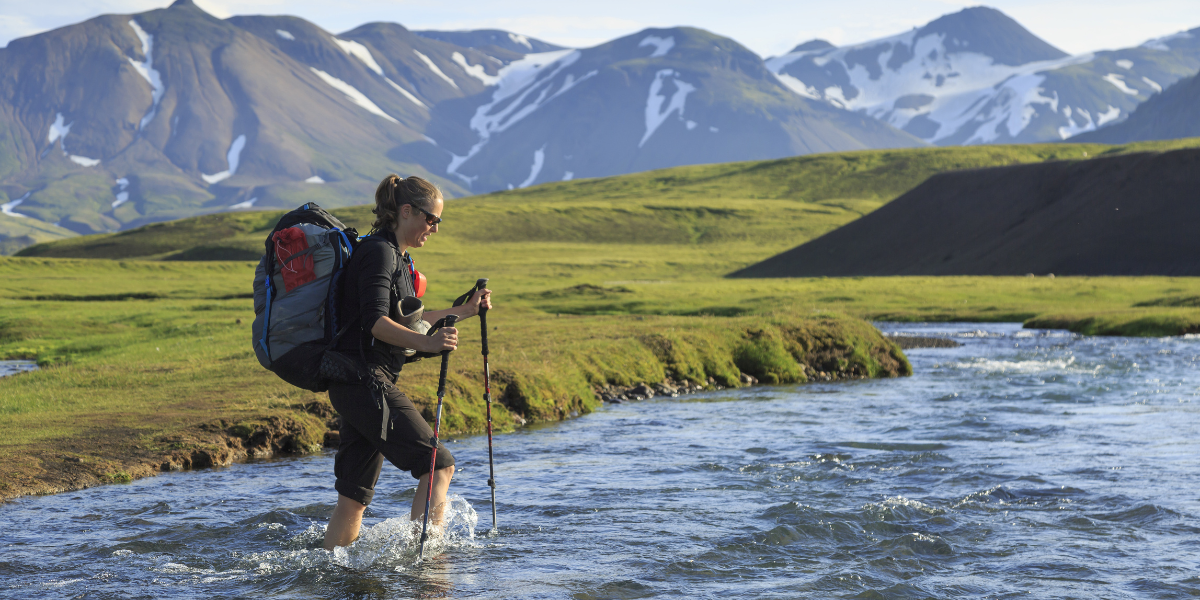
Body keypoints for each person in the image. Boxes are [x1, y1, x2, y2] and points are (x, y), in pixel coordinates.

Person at [322, 174, 491, 551]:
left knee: (354, 497)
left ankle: (327, 570)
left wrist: (464, 310)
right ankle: (428, 570)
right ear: (406, 210)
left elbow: (410, 321)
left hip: (357, 383)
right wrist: (428, 345)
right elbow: (376, 323)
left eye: (438, 222)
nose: (434, 228)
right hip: (365, 381)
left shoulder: (396, 257)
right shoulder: (379, 253)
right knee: (439, 464)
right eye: (431, 219)